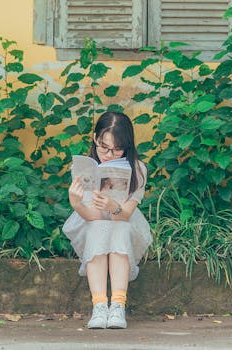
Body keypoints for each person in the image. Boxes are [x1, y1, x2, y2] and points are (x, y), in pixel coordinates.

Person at [62, 111, 152, 330]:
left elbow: (127, 214)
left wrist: (114, 207)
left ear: (127, 146)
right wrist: (76, 203)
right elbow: (92, 218)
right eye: (104, 147)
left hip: (126, 223)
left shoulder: (138, 169)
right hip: (90, 223)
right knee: (98, 227)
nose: (109, 154)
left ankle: (118, 305)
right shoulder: (85, 168)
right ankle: (100, 305)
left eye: (117, 149)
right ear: (95, 139)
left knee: (118, 228)